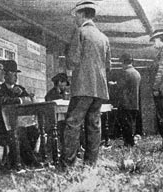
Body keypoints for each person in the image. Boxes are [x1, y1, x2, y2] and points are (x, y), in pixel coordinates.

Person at [60, 0, 111, 168]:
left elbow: (72, 60)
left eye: (76, 16)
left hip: (82, 87)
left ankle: (68, 164)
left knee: (72, 123)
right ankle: (91, 164)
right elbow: (108, 66)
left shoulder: (80, 32)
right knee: (94, 125)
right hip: (100, 89)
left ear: (82, 14)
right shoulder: (104, 38)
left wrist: (68, 64)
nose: (75, 19)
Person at [1, 60, 40, 167]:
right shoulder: (1, 88)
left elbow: (29, 100)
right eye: (13, 73)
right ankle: (30, 161)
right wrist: (13, 94)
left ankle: (18, 157)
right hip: (7, 123)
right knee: (21, 131)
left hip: (22, 120)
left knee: (34, 131)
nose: (15, 76)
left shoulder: (20, 88)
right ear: (5, 75)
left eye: (16, 74)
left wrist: (27, 96)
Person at [114, 53, 141, 146]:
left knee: (126, 124)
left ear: (123, 62)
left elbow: (120, 86)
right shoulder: (136, 73)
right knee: (131, 123)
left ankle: (129, 143)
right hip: (134, 103)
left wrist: (113, 84)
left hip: (126, 103)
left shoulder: (126, 73)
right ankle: (130, 142)